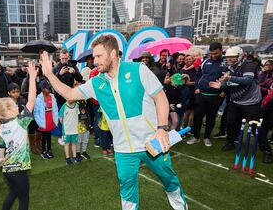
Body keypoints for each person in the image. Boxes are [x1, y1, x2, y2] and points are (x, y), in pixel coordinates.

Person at [40, 35, 187, 210]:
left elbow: (161, 98)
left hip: (151, 141)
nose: (94, 61)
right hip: (123, 149)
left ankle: (180, 206)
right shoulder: (97, 82)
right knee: (127, 189)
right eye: (94, 57)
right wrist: (49, 74)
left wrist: (162, 128)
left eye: (98, 56)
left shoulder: (138, 70)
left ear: (112, 54)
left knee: (169, 179)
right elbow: (70, 95)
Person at [209, 47, 273, 163]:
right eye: (228, 57)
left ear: (239, 56)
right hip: (235, 101)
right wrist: (221, 86)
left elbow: (247, 80)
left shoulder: (248, 65)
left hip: (251, 103)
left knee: (255, 127)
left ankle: (266, 150)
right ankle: (230, 142)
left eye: (232, 57)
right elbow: (229, 84)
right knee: (231, 123)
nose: (229, 59)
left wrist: (230, 77)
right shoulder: (228, 68)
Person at [0, 62, 37, 210]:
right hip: (18, 170)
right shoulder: (20, 122)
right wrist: (32, 77)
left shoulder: (1, 127)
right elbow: (32, 100)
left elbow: (1, 145)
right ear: (9, 111)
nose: (18, 106)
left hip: (8, 170)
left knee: (14, 192)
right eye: (15, 106)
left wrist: (1, 157)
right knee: (24, 197)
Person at [187, 42, 227, 147]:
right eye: (211, 53)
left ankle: (207, 137)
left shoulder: (226, 63)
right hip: (201, 94)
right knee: (198, 117)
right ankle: (195, 136)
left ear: (221, 50)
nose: (213, 56)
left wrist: (224, 90)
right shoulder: (205, 62)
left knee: (211, 118)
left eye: (216, 53)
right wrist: (197, 87)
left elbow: (228, 80)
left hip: (215, 97)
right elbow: (198, 75)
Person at [34, 80, 58, 159]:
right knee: (44, 137)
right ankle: (43, 151)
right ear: (42, 89)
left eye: (49, 88)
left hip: (50, 120)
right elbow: (36, 112)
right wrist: (39, 122)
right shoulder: (39, 98)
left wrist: (55, 119)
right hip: (43, 122)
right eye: (48, 88)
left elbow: (55, 109)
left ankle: (49, 150)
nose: (49, 90)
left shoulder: (52, 96)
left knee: (49, 136)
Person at [59, 99, 80, 165]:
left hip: (75, 129)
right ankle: (67, 158)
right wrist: (66, 125)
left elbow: (78, 115)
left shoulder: (76, 105)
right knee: (67, 144)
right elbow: (60, 118)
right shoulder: (64, 106)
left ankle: (74, 157)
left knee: (74, 143)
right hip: (67, 130)